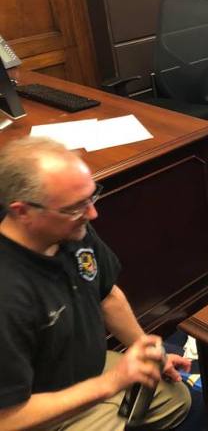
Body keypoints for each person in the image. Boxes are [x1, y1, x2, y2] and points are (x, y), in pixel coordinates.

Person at [0, 137, 191, 431]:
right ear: (22, 211)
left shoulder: (69, 230)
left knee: (177, 399)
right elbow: (8, 418)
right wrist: (112, 383)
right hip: (35, 409)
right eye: (75, 207)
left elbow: (107, 295)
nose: (92, 214)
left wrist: (146, 350)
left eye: (91, 197)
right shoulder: (8, 294)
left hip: (88, 369)